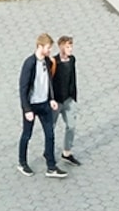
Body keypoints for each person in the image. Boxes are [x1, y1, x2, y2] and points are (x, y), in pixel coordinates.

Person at [18, 34, 68, 178]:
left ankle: (51, 167)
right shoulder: (29, 63)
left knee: (50, 134)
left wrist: (51, 98)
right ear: (40, 47)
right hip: (31, 106)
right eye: (48, 48)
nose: (49, 51)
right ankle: (22, 162)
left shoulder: (46, 61)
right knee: (27, 135)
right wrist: (26, 109)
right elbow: (23, 88)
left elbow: (49, 81)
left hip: (44, 104)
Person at [52, 35, 83, 166]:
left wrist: (73, 96)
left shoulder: (72, 60)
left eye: (71, 46)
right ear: (61, 47)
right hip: (56, 101)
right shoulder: (54, 62)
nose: (70, 49)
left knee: (71, 125)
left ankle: (67, 152)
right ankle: (48, 152)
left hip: (68, 99)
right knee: (51, 127)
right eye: (68, 47)